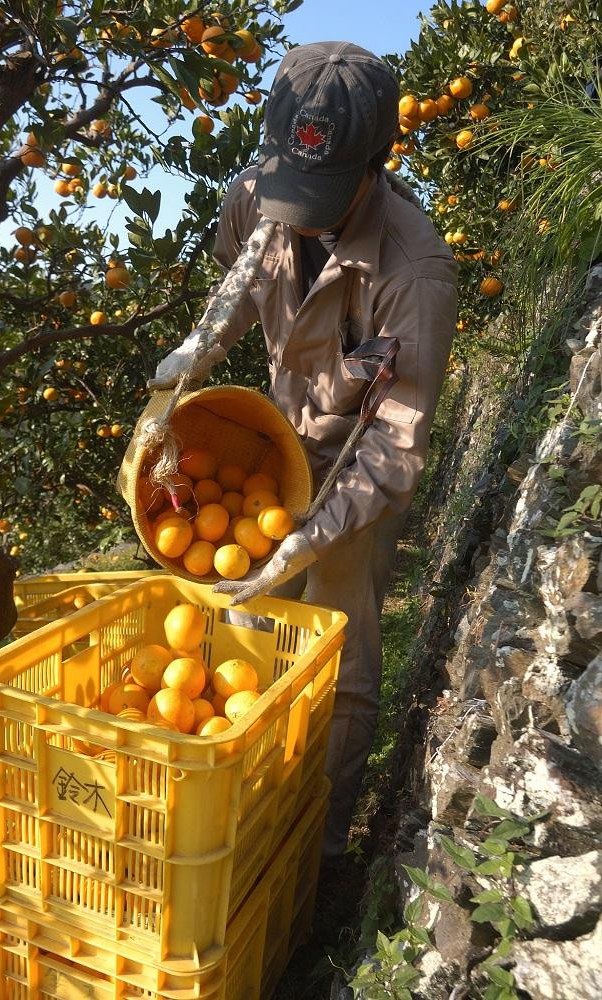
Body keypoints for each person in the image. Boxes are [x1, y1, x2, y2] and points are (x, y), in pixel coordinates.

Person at [154, 41, 458, 860]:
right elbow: (237, 282)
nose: (300, 210)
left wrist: (306, 536)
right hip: (274, 442)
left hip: (356, 465)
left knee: (339, 653)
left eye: (320, 195)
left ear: (374, 164)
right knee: (246, 624)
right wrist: (190, 362)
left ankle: (314, 851)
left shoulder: (413, 271)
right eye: (291, 186)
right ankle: (248, 809)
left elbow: (394, 448)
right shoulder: (258, 193)